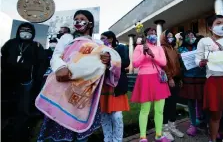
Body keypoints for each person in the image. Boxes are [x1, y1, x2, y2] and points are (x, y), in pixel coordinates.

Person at [37, 10, 111, 142]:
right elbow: (56, 55)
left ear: (90, 23)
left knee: (80, 128)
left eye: (82, 18)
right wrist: (61, 67)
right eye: (76, 19)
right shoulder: (67, 38)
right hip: (63, 87)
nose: (78, 21)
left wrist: (107, 60)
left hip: (84, 90)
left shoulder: (98, 43)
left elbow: (104, 64)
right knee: (60, 128)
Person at [1, 22, 47, 141]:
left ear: (33, 33)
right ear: (18, 31)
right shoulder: (10, 43)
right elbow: (3, 58)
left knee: (23, 111)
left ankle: (19, 136)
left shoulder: (36, 46)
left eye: (28, 30)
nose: (25, 31)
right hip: (8, 82)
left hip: (26, 83)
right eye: (23, 29)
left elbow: (42, 64)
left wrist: (36, 80)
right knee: (5, 108)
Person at [131, 28, 171, 142]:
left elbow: (163, 62)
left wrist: (152, 54)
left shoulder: (159, 48)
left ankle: (159, 134)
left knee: (159, 110)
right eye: (150, 34)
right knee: (145, 110)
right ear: (145, 36)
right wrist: (144, 53)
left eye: (154, 33)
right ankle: (143, 137)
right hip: (145, 79)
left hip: (158, 79)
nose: (153, 35)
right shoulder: (139, 47)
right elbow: (135, 64)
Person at [100, 31, 130, 142]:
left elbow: (126, 62)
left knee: (117, 117)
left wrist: (110, 59)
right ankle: (107, 139)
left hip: (117, 86)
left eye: (103, 38)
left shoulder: (121, 48)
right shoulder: (99, 51)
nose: (101, 40)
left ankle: (117, 140)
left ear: (111, 39)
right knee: (104, 116)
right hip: (103, 86)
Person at [178, 30, 206, 137]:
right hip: (188, 79)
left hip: (201, 78)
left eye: (192, 35)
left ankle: (205, 121)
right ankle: (193, 124)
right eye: (188, 35)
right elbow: (179, 66)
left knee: (203, 100)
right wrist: (180, 58)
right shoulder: (180, 50)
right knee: (190, 102)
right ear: (184, 38)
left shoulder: (200, 48)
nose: (191, 37)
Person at [160, 30, 184, 141]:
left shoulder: (174, 49)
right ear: (164, 38)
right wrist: (169, 78)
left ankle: (172, 126)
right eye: (168, 36)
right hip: (168, 79)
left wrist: (179, 78)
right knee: (167, 104)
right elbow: (164, 64)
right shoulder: (163, 49)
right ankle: (165, 129)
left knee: (173, 103)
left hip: (176, 78)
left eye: (172, 36)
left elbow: (178, 64)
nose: (171, 38)